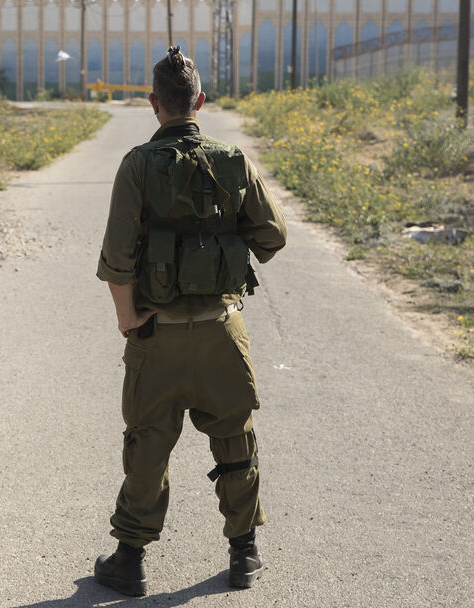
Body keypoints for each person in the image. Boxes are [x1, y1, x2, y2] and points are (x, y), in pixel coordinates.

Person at [94, 46, 287, 595]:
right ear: (200, 101)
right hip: (224, 329)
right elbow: (273, 237)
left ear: (154, 104)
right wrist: (225, 238)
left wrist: (129, 319)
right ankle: (244, 554)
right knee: (235, 438)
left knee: (148, 443)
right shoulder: (234, 160)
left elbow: (116, 257)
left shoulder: (136, 165)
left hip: (159, 336)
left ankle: (130, 560)